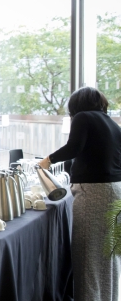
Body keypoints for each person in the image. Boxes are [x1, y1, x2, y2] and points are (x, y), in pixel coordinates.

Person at [38, 87, 121, 301]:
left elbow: (74, 147)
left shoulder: (83, 118)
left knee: (87, 256)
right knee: (108, 255)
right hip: (115, 191)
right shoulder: (111, 123)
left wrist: (48, 160)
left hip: (93, 192)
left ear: (76, 106)